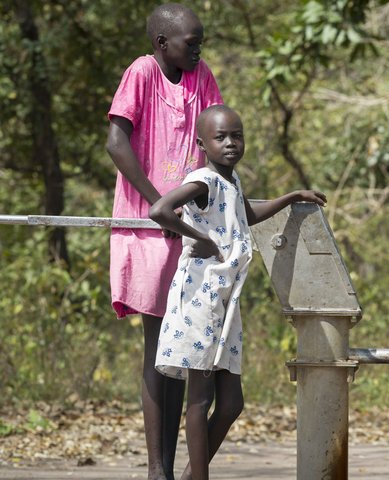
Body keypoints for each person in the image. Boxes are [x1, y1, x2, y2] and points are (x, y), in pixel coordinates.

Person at [149, 105, 327, 480]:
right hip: (199, 296)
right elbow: (160, 210)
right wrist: (203, 240)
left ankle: (190, 475)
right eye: (221, 137)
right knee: (200, 398)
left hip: (225, 300)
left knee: (231, 403)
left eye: (237, 135)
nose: (230, 143)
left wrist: (292, 197)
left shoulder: (230, 181)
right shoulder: (204, 181)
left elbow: (245, 214)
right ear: (202, 144)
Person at [104, 4, 223, 479]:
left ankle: (170, 467)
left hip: (190, 226)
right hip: (147, 225)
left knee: (182, 346)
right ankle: (158, 469)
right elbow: (117, 142)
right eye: (190, 43)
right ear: (161, 44)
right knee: (159, 343)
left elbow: (213, 141)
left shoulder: (202, 77)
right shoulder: (142, 73)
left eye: (200, 43)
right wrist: (161, 203)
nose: (197, 50)